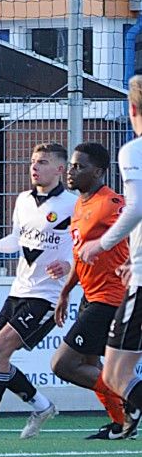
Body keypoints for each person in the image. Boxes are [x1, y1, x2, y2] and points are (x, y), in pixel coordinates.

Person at [0, 142, 76, 440]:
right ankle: (41, 405)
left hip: (47, 296)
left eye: (43, 162)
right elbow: (20, 240)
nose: (35, 167)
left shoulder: (72, 205)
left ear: (60, 169)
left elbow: (81, 248)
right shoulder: (23, 200)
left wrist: (68, 265)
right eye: (33, 161)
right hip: (19, 290)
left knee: (0, 351)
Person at [49, 142, 135, 440]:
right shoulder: (80, 205)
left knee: (63, 364)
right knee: (88, 364)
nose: (71, 172)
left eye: (79, 166)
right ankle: (122, 423)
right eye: (71, 165)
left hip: (110, 298)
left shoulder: (111, 203)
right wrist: (65, 292)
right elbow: (81, 254)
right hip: (90, 295)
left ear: (98, 172)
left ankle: (132, 397)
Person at [80, 74, 142, 436]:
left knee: (115, 374)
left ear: (132, 109)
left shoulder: (134, 150)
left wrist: (101, 245)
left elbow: (136, 207)